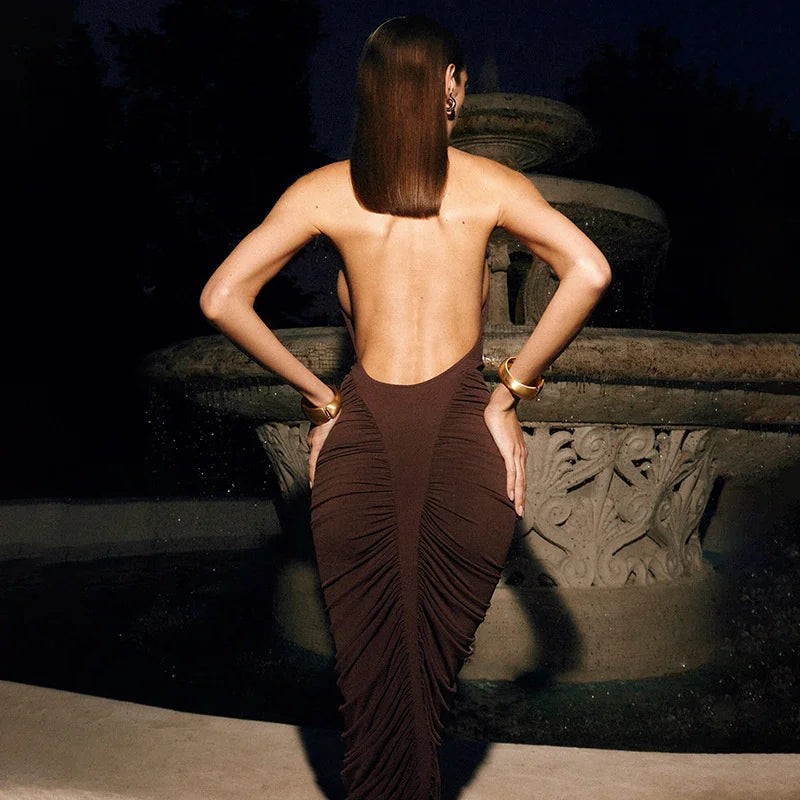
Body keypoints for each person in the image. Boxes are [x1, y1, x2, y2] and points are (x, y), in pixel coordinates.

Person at [200, 14, 610, 800]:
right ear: (450, 84)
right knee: (425, 688)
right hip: (464, 444)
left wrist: (322, 400)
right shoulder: (492, 185)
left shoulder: (323, 190)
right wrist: (509, 396)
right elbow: (588, 271)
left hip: (360, 445)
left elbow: (221, 298)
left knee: (374, 692)